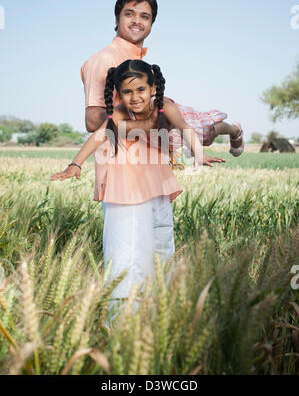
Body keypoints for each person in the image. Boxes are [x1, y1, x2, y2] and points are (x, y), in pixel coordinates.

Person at [50, 59, 226, 325]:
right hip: (126, 181)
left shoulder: (165, 107)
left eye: (141, 90)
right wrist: (75, 164)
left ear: (152, 87)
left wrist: (199, 155)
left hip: (154, 179)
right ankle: (123, 324)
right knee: (128, 254)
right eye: (127, 92)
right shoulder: (119, 113)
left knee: (160, 247)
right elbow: (99, 135)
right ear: (119, 93)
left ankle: (157, 318)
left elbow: (185, 129)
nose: (135, 97)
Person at [81, 0, 244, 159]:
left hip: (146, 154)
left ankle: (234, 131)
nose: (137, 21)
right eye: (129, 14)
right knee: (202, 134)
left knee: (204, 132)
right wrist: (146, 125)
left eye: (145, 16)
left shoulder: (137, 61)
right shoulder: (106, 59)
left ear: (151, 23)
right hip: (121, 161)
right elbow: (93, 121)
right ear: (117, 18)